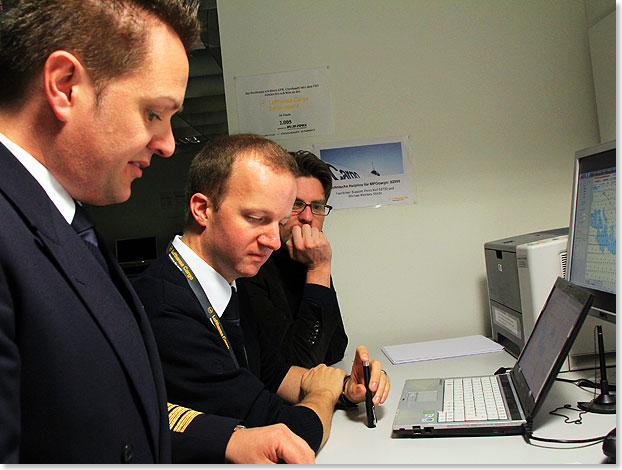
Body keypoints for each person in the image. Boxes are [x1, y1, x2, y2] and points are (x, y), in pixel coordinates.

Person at [0, 0, 313, 464]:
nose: (168, 144)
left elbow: (91, 416)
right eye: (153, 113)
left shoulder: (65, 220)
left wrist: (225, 440)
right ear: (65, 86)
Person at [133, 134, 390, 452]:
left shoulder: (226, 287)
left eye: (279, 222)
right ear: (202, 209)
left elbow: (278, 374)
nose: (272, 239)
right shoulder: (166, 308)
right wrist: (323, 394)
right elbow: (292, 435)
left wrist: (345, 386)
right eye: (256, 219)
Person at [237, 150, 347, 368]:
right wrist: (319, 269)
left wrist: (317, 269)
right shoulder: (250, 267)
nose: (307, 217)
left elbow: (335, 347)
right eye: (296, 204)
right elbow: (298, 364)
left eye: (316, 206)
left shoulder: (309, 257)